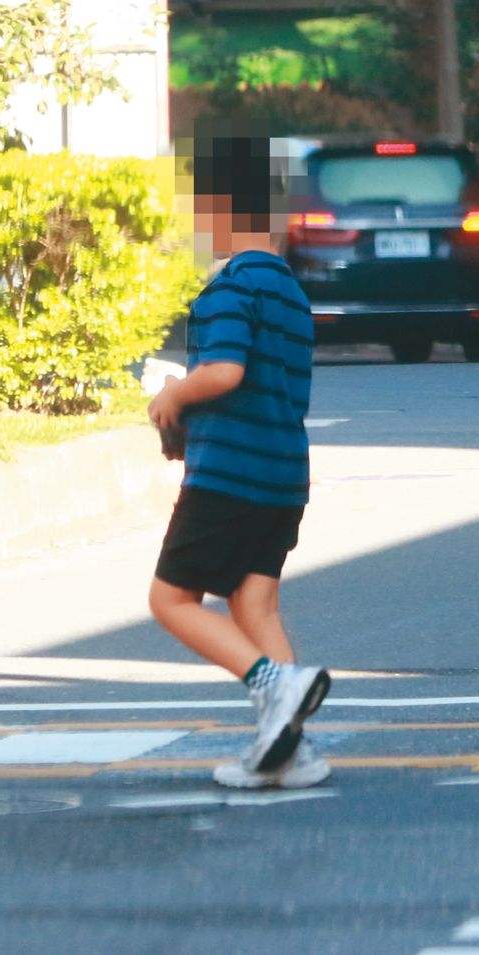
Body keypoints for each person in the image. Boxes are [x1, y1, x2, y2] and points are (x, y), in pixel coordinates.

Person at [146, 127, 332, 790]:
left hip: (230, 474)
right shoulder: (290, 292)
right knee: (256, 605)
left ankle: (269, 684)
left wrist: (174, 393)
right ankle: (289, 749)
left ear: (219, 209)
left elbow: (223, 370)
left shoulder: (228, 289)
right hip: (284, 476)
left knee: (171, 598)